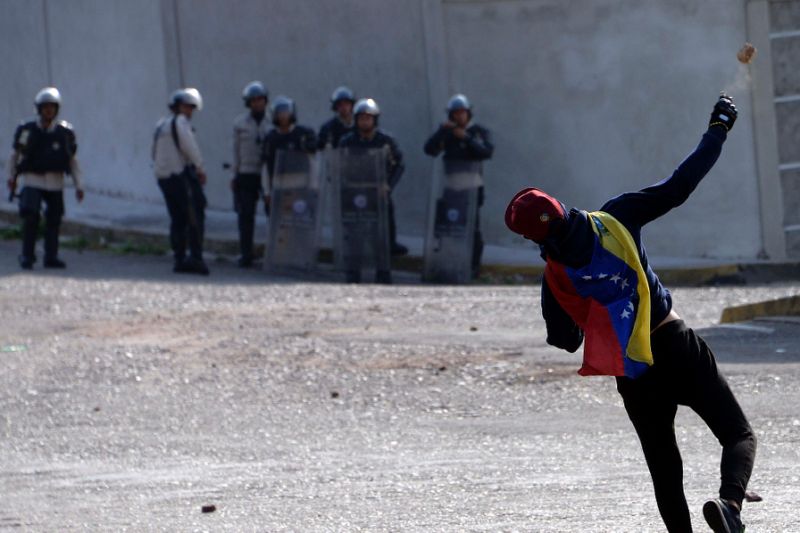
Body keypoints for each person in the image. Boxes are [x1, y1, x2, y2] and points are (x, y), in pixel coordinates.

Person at [504, 94, 754, 533]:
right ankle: (730, 504)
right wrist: (718, 127)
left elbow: (566, 341)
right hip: (675, 342)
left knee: (664, 468)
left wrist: (590, 306)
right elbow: (680, 185)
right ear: (561, 206)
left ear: (532, 238)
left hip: (632, 368)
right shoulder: (616, 217)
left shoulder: (555, 277)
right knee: (737, 434)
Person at [6, 87, 84, 270]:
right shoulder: (27, 130)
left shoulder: (65, 133)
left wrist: (79, 185)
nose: (48, 111)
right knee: (31, 218)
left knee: (54, 220)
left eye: (52, 107)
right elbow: (14, 155)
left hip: (55, 182)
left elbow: (73, 161)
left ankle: (51, 256)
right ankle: (27, 256)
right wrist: (11, 178)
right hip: (33, 180)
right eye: (45, 107)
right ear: (38, 108)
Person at [424, 94, 494, 277]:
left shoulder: (478, 132)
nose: (459, 117)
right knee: (448, 226)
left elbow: (486, 151)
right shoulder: (447, 134)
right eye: (455, 114)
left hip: (472, 188)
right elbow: (429, 149)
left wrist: (467, 138)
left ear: (468, 114)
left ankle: (473, 267)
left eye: (462, 113)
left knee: (473, 229)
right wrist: (442, 131)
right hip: (451, 187)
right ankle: (446, 262)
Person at [339, 98, 407, 258]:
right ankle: (353, 263)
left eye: (368, 118)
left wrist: (388, 185)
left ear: (375, 120)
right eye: (361, 119)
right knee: (354, 227)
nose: (364, 122)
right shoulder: (348, 141)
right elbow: (338, 164)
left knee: (384, 223)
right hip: (355, 189)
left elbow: (400, 164)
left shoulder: (386, 141)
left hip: (378, 190)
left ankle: (389, 249)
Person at [152, 88, 209, 275]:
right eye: (186, 107)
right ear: (178, 107)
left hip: (164, 178)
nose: (189, 111)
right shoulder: (180, 122)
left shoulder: (161, 125)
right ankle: (196, 257)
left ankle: (179, 257)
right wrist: (200, 168)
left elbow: (153, 152)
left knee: (177, 219)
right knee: (194, 215)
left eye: (191, 107)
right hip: (179, 176)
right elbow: (190, 147)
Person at [231, 81, 270, 267]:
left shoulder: (273, 121)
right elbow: (235, 150)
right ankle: (246, 253)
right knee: (246, 215)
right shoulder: (240, 123)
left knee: (273, 213)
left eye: (260, 100)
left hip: (268, 173)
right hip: (247, 172)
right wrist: (235, 174)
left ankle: (274, 252)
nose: (257, 104)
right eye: (253, 101)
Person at [261, 96, 317, 197]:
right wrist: (267, 192)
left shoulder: (303, 134)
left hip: (301, 185)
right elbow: (265, 166)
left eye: (285, 112)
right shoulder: (270, 138)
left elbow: (311, 160)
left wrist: (313, 187)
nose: (283, 116)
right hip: (278, 185)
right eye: (280, 113)